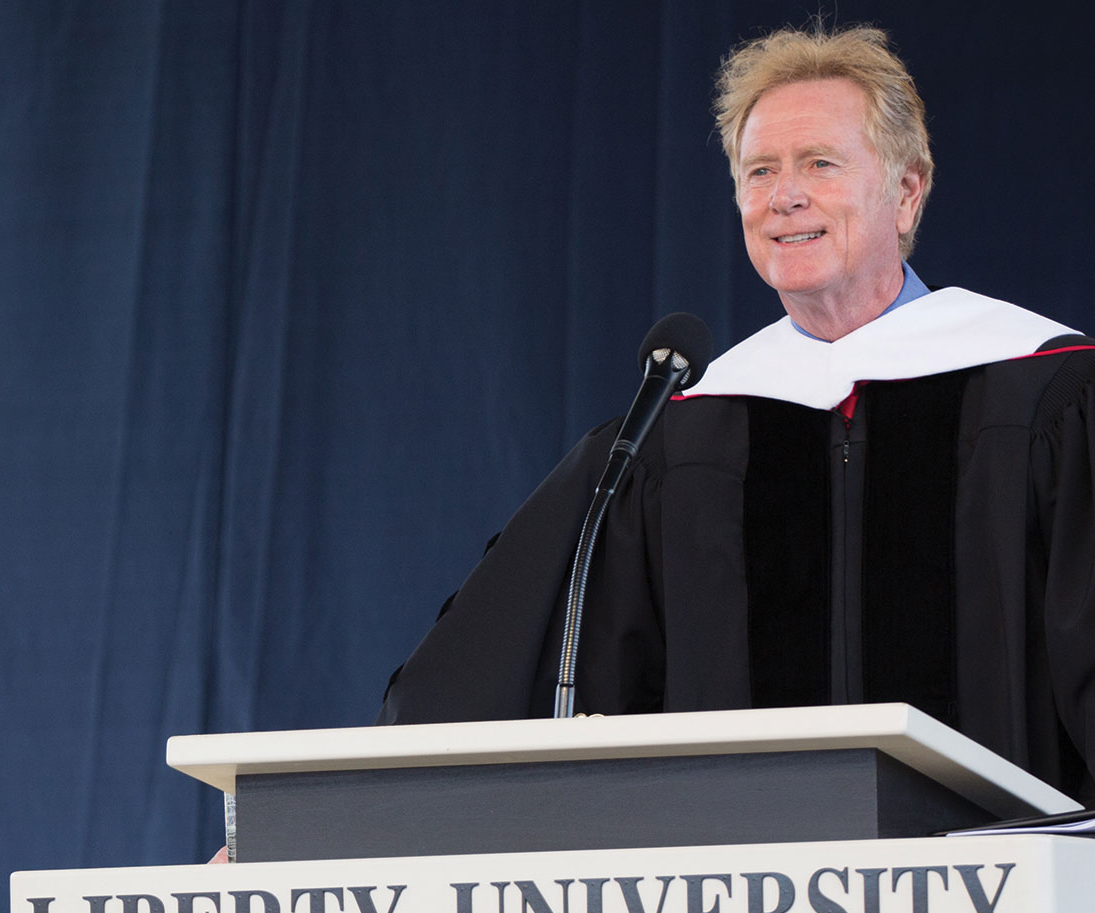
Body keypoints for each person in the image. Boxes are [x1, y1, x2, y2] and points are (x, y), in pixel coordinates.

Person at [376, 24, 1095, 806]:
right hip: (746, 911)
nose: (785, 194)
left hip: (1002, 900)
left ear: (906, 191)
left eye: (820, 164)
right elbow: (508, 662)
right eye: (761, 171)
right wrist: (329, 825)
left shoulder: (1044, 395)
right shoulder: (680, 436)